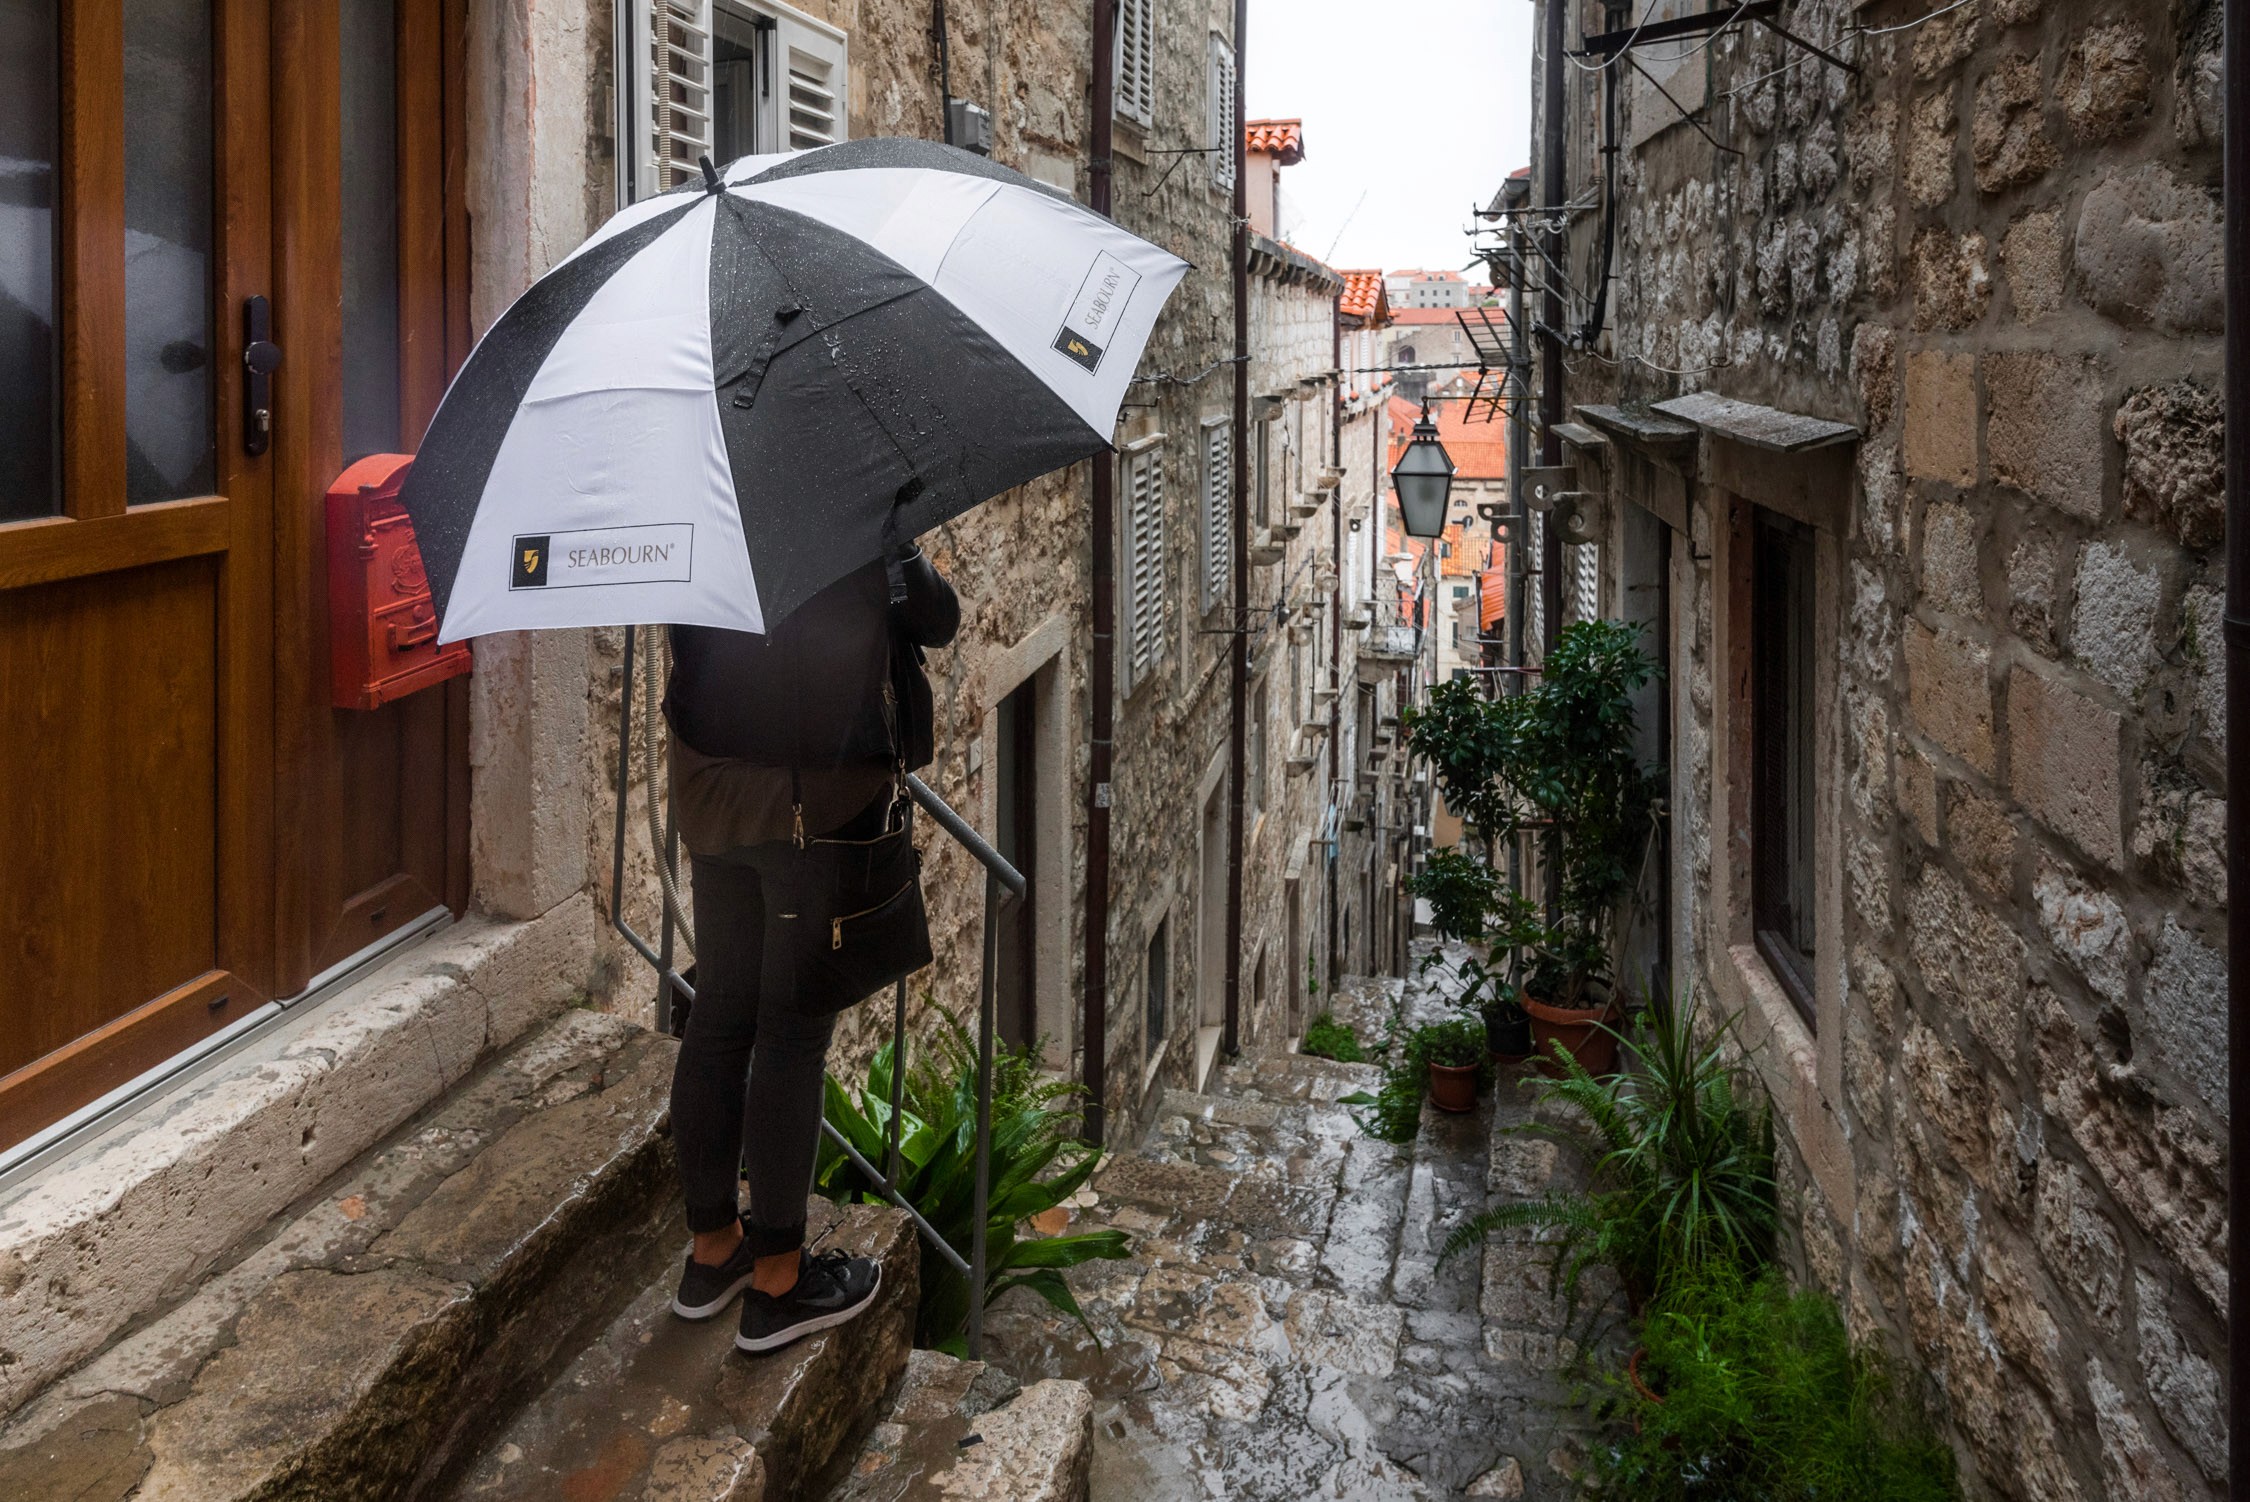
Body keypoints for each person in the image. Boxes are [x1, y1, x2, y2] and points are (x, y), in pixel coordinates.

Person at [660, 543, 958, 1354]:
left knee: (721, 1010)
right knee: (792, 1033)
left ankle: (713, 1252)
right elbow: (937, 619)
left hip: (712, 790)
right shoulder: (844, 511)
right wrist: (901, 546)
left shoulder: (695, 505)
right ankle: (779, 1284)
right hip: (813, 805)